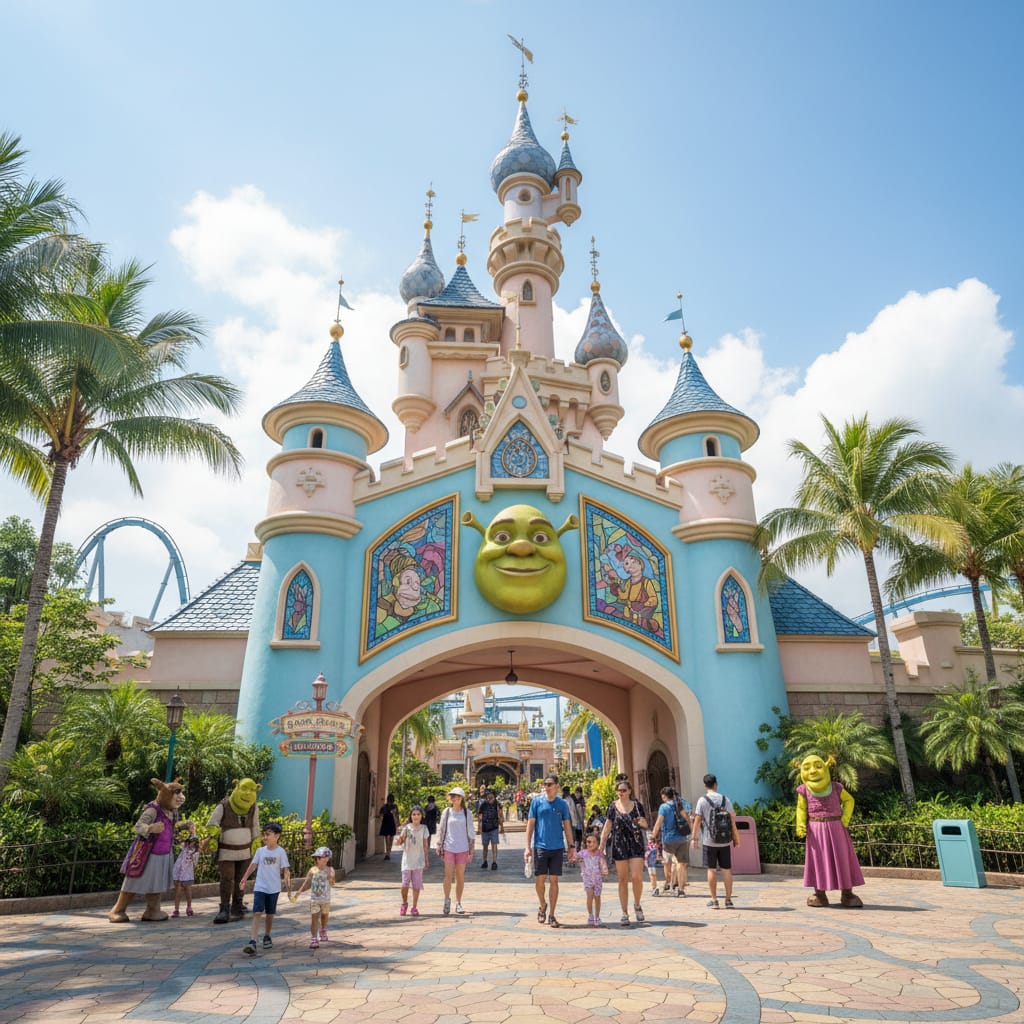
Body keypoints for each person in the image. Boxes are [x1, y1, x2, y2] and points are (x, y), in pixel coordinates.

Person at [524, 774, 577, 928]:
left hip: (557, 847)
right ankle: (542, 905)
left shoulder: (562, 804)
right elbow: (530, 824)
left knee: (554, 880)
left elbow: (567, 826)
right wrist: (527, 846)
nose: (546, 787)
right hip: (540, 846)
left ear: (557, 786)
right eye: (545, 784)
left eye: (549, 784)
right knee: (540, 879)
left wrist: (572, 846)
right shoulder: (537, 802)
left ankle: (552, 914)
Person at [599, 777, 649, 926]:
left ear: (629, 791)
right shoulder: (613, 807)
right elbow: (607, 827)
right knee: (622, 879)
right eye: (619, 790)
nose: (621, 793)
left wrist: (641, 823)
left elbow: (645, 824)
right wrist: (601, 846)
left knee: (636, 877)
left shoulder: (638, 806)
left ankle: (637, 905)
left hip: (635, 842)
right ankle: (624, 912)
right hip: (619, 844)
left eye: (624, 790)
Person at [239, 823, 291, 956]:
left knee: (270, 914)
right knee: (257, 912)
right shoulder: (260, 851)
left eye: (268, 834)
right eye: (264, 834)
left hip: (274, 888)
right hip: (260, 887)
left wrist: (288, 884)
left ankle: (267, 935)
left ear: (277, 836)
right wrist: (244, 878)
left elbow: (286, 870)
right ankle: (252, 941)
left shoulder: (281, 852)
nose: (265, 837)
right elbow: (253, 865)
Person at [692, 773, 740, 909]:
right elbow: (733, 817)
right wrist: (735, 836)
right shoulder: (725, 799)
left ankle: (714, 900)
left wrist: (694, 838)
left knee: (711, 869)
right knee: (726, 870)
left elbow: (697, 820)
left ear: (705, 785)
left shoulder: (702, 800)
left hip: (709, 840)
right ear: (716, 784)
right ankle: (728, 900)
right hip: (724, 840)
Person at [436, 786, 474, 915]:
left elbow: (471, 831)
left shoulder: (467, 813)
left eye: (458, 796)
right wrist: (438, 844)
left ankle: (458, 902)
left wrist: (472, 848)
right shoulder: (446, 812)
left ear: (462, 798)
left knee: (460, 876)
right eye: (453, 796)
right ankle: (447, 900)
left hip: (462, 847)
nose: (455, 799)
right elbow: (441, 829)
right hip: (449, 847)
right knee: (448, 876)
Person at [291, 846, 335, 948]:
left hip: (326, 899)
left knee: (324, 916)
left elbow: (332, 883)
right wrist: (298, 893)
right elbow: (306, 883)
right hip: (314, 899)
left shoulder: (330, 869)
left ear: (328, 858)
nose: (323, 859)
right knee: (314, 918)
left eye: (325, 857)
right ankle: (314, 938)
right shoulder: (313, 870)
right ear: (317, 859)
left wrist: (331, 877)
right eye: (321, 857)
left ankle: (323, 929)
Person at [651, 786, 692, 897]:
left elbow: (658, 823)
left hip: (668, 839)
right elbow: (687, 819)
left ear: (664, 796)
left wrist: (653, 835)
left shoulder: (663, 807)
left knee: (667, 862)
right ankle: (681, 889)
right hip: (682, 839)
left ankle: (668, 882)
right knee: (681, 864)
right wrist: (692, 833)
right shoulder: (679, 805)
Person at [394, 805, 430, 916]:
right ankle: (404, 903)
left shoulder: (424, 829)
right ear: (411, 816)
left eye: (418, 814)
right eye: (414, 814)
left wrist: (426, 860)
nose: (416, 816)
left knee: (416, 885)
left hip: (418, 861)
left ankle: (414, 907)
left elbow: (425, 846)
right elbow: (399, 842)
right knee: (405, 884)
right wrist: (398, 839)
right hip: (407, 860)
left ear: (421, 816)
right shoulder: (406, 828)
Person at [577, 830, 609, 926]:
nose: (590, 844)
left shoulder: (600, 854)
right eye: (588, 842)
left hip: (598, 880)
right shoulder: (583, 853)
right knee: (589, 896)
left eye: (593, 842)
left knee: (597, 898)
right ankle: (590, 915)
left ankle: (597, 916)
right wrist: (574, 858)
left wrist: (604, 869)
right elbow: (575, 857)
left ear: (598, 843)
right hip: (587, 879)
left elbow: (603, 863)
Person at [171, 825, 200, 917]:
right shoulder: (184, 848)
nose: (190, 843)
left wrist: (192, 857)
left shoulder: (195, 853)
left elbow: (195, 864)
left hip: (187, 874)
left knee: (188, 891)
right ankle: (176, 909)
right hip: (178, 873)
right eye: (189, 841)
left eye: (193, 842)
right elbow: (180, 839)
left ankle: (189, 907)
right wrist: (191, 831)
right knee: (178, 892)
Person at [477, 789, 504, 870]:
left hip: (494, 827)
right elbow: (480, 816)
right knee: (485, 846)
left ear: (493, 795)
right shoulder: (483, 804)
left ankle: (494, 862)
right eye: (487, 794)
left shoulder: (497, 804)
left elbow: (500, 816)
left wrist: (502, 827)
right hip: (485, 828)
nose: (489, 796)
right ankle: (485, 861)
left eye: (490, 794)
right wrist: (479, 827)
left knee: (494, 845)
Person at [563, 785, 584, 852]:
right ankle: (573, 850)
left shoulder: (570, 799)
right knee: (574, 837)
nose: (578, 794)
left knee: (575, 837)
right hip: (572, 821)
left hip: (573, 821)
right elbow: (573, 812)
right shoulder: (570, 800)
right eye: (576, 793)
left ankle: (574, 850)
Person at [379, 793, 398, 860]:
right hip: (391, 823)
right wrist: (397, 824)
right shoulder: (394, 806)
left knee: (387, 838)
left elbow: (380, 815)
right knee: (390, 838)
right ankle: (388, 852)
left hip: (386, 823)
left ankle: (388, 852)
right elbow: (396, 816)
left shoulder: (384, 806)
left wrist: (382, 820)